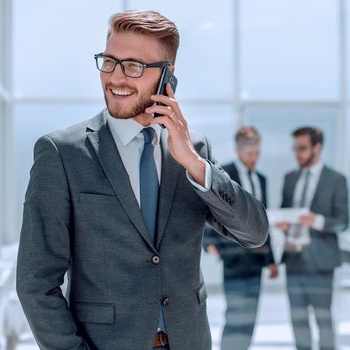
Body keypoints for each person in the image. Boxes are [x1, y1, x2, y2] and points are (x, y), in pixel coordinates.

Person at [16, 10, 269, 350]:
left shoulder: (194, 150)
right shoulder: (61, 153)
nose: (116, 77)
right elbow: (36, 281)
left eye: (134, 66)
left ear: (168, 74)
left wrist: (194, 163)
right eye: (109, 62)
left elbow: (254, 232)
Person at [204, 126, 278, 350]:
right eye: (249, 154)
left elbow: (263, 222)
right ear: (238, 151)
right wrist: (208, 243)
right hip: (233, 258)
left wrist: (272, 259)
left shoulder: (261, 179)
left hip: (257, 260)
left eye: (257, 153)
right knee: (235, 314)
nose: (253, 159)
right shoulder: (224, 173)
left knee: (250, 316)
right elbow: (209, 209)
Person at [277, 126, 348, 350]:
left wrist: (316, 220)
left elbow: (343, 221)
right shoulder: (290, 178)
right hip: (294, 259)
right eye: (295, 149)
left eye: (303, 148)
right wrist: (284, 225)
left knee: (323, 319)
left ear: (318, 147)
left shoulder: (336, 180)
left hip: (321, 262)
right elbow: (283, 211)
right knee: (298, 321)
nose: (298, 154)